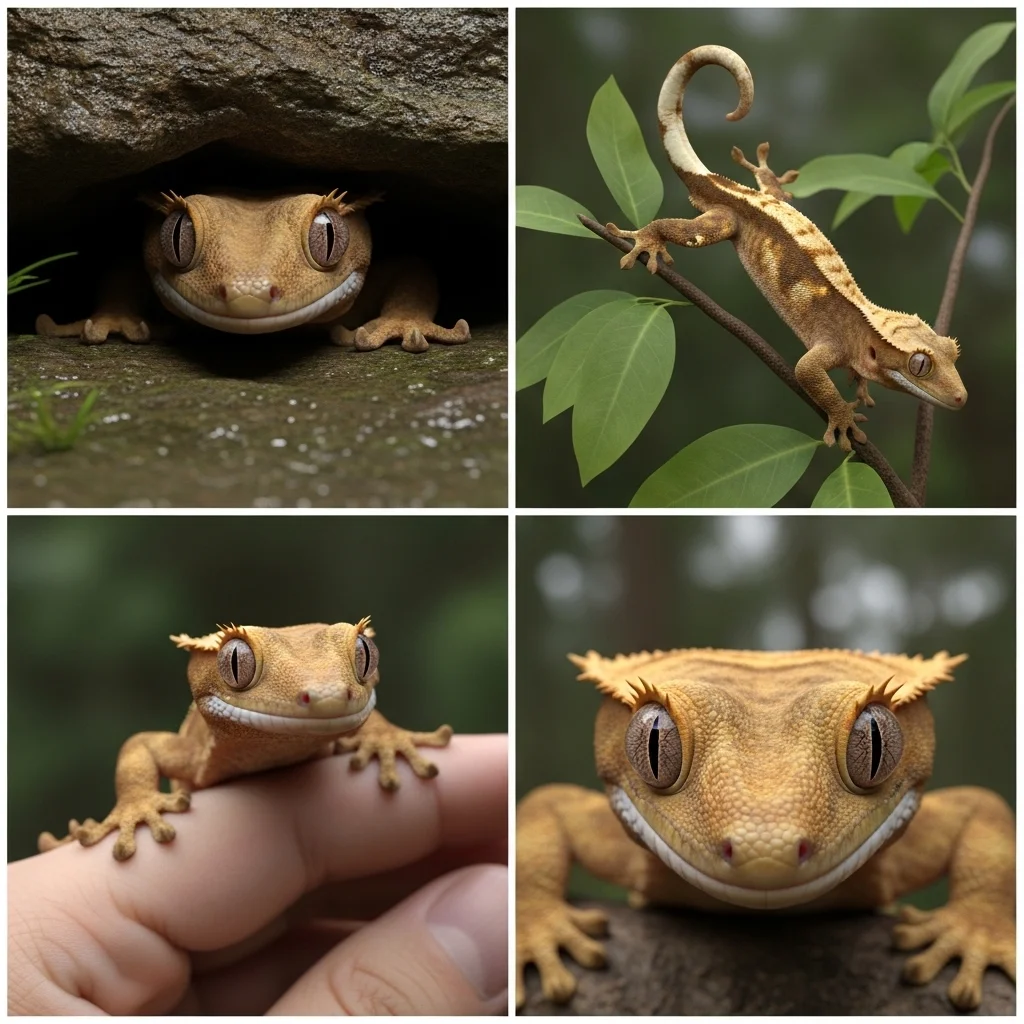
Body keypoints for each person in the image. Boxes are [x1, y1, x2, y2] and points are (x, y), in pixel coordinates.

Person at [9, 735, 508, 1014]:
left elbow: (346, 702)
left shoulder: (336, 703)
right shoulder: (191, 748)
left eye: (359, 657)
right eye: (241, 668)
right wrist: (137, 801)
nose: (316, 691)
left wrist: (378, 734)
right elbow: (143, 748)